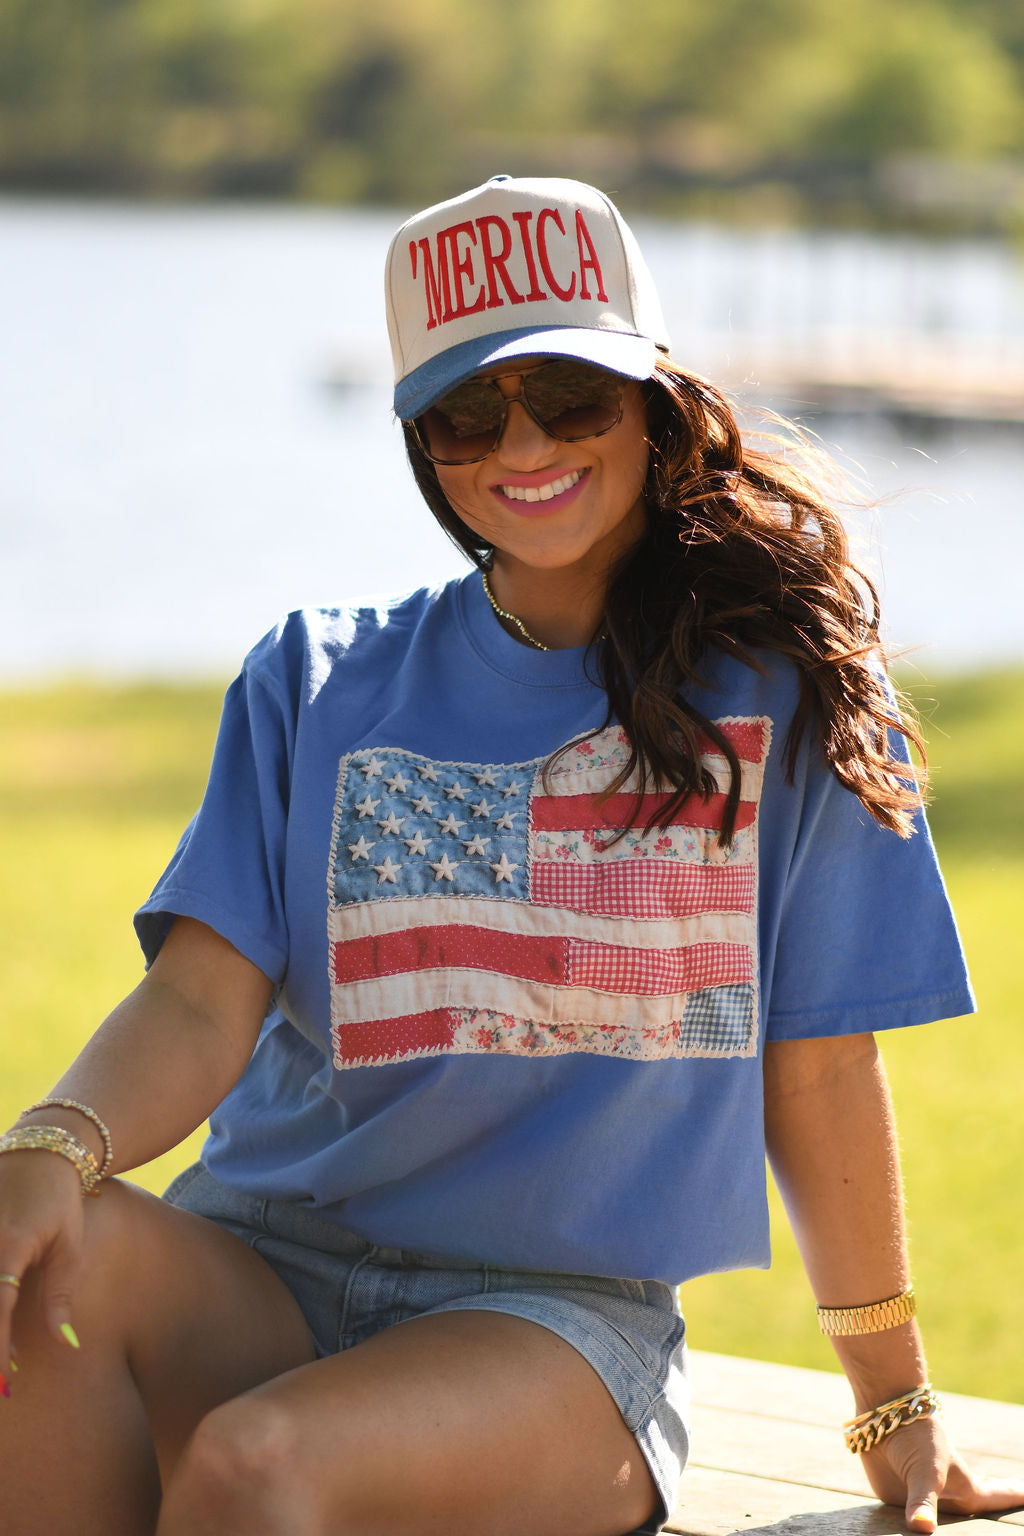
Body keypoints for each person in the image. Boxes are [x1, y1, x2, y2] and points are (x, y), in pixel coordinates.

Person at [0, 174, 1020, 1536]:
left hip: (554, 1328)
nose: (522, 445)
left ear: (653, 402)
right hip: (260, 1264)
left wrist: (894, 1409)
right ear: (422, 441)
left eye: (572, 397)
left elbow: (821, 1069)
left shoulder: (785, 699)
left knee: (259, 1463)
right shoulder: (314, 678)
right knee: (28, 1286)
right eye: (467, 415)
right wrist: (51, 1146)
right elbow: (195, 1003)